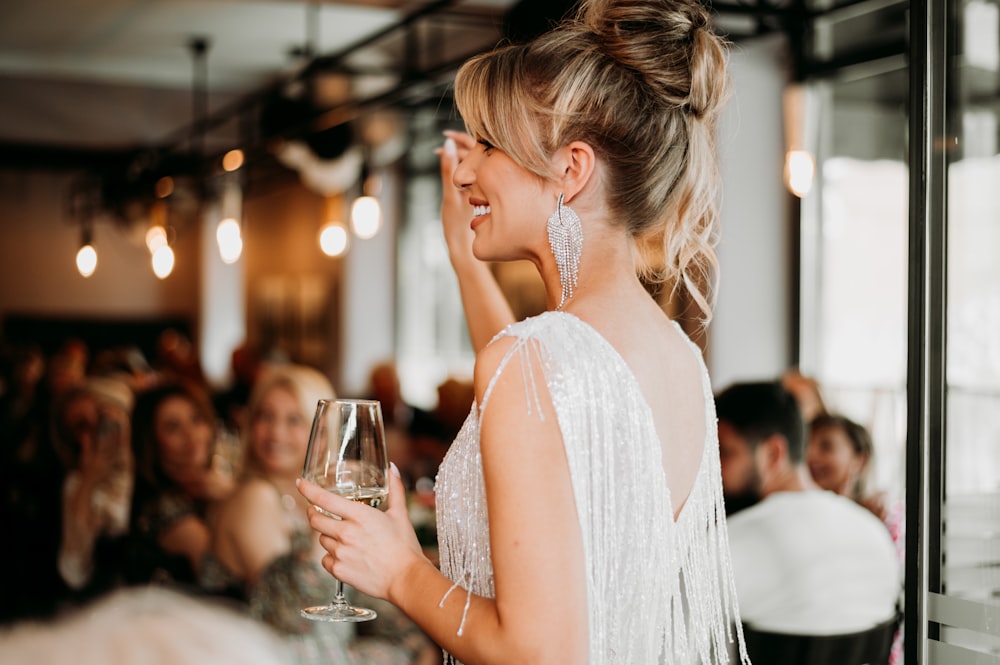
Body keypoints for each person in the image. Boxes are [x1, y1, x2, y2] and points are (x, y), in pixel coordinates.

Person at [297, 1, 748, 663]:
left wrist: (400, 569)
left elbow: (539, 650)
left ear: (571, 170)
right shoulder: (674, 353)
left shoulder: (535, 358)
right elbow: (540, 396)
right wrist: (462, 251)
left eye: (489, 145)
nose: (467, 172)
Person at [715, 381, 900, 640]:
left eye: (724, 452)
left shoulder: (730, 546)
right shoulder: (874, 535)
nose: (713, 469)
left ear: (773, 453)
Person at [125, 381, 234, 590]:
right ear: (151, 442)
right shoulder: (163, 506)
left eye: (196, 419)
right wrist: (234, 500)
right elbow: (221, 576)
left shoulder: (208, 486)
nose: (190, 434)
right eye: (172, 427)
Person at [53, 376, 135, 602]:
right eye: (82, 426)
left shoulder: (156, 461)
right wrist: (90, 482)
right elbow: (74, 573)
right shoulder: (77, 484)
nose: (97, 429)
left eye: (102, 417)